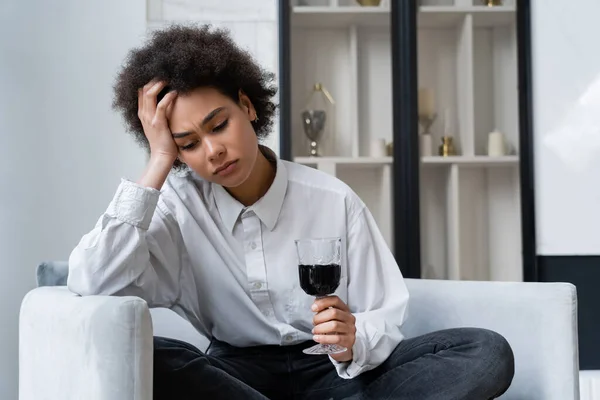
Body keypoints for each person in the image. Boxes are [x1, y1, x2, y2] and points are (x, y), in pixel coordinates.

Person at [67, 24, 514, 400]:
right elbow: (93, 281)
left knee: (486, 351)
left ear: (246, 107)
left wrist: (351, 337)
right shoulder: (173, 209)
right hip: (235, 379)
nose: (213, 150)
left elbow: (385, 312)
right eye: (188, 144)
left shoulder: (330, 198)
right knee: (149, 351)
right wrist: (158, 162)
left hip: (335, 375)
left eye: (218, 124)